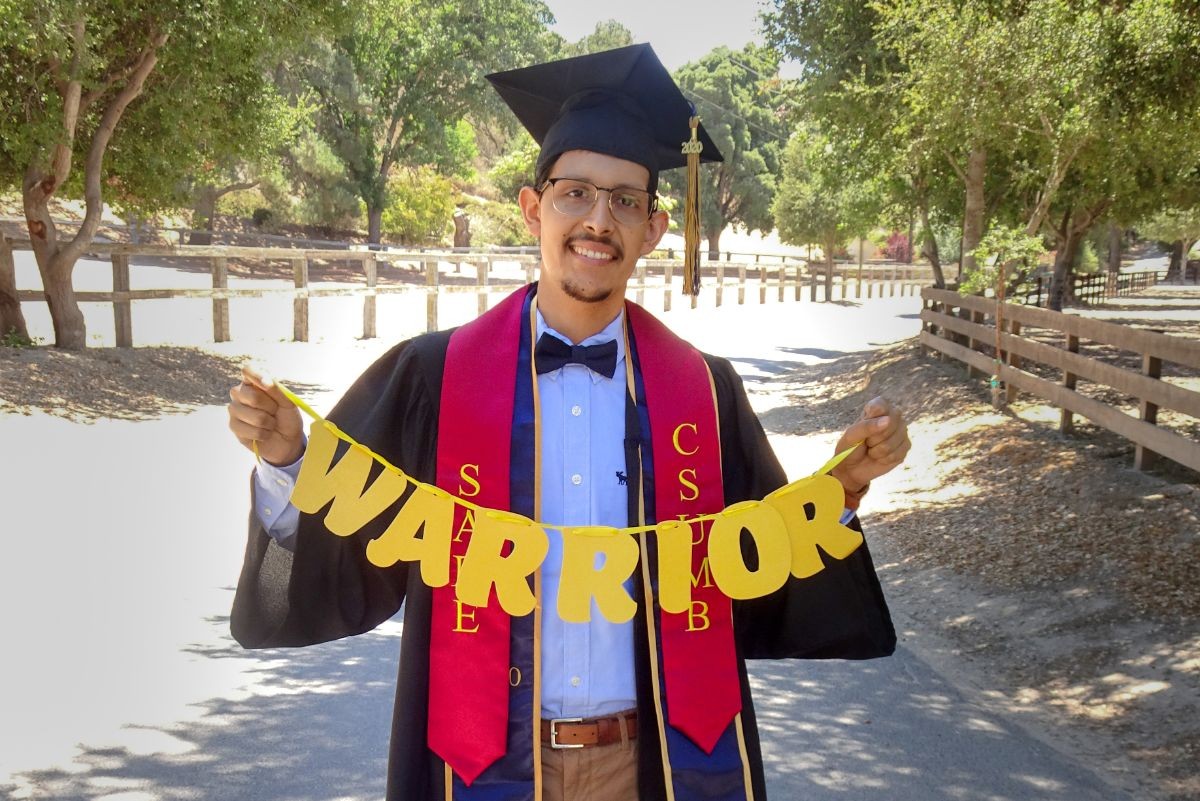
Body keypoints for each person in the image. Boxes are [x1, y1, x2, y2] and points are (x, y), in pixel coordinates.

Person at [226, 44, 910, 801]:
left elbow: (761, 571)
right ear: (533, 208)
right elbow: (346, 553)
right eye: (575, 192)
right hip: (479, 763)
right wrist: (287, 458)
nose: (597, 219)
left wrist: (841, 487)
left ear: (653, 227)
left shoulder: (705, 392)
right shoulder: (434, 378)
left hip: (655, 765)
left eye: (624, 200)